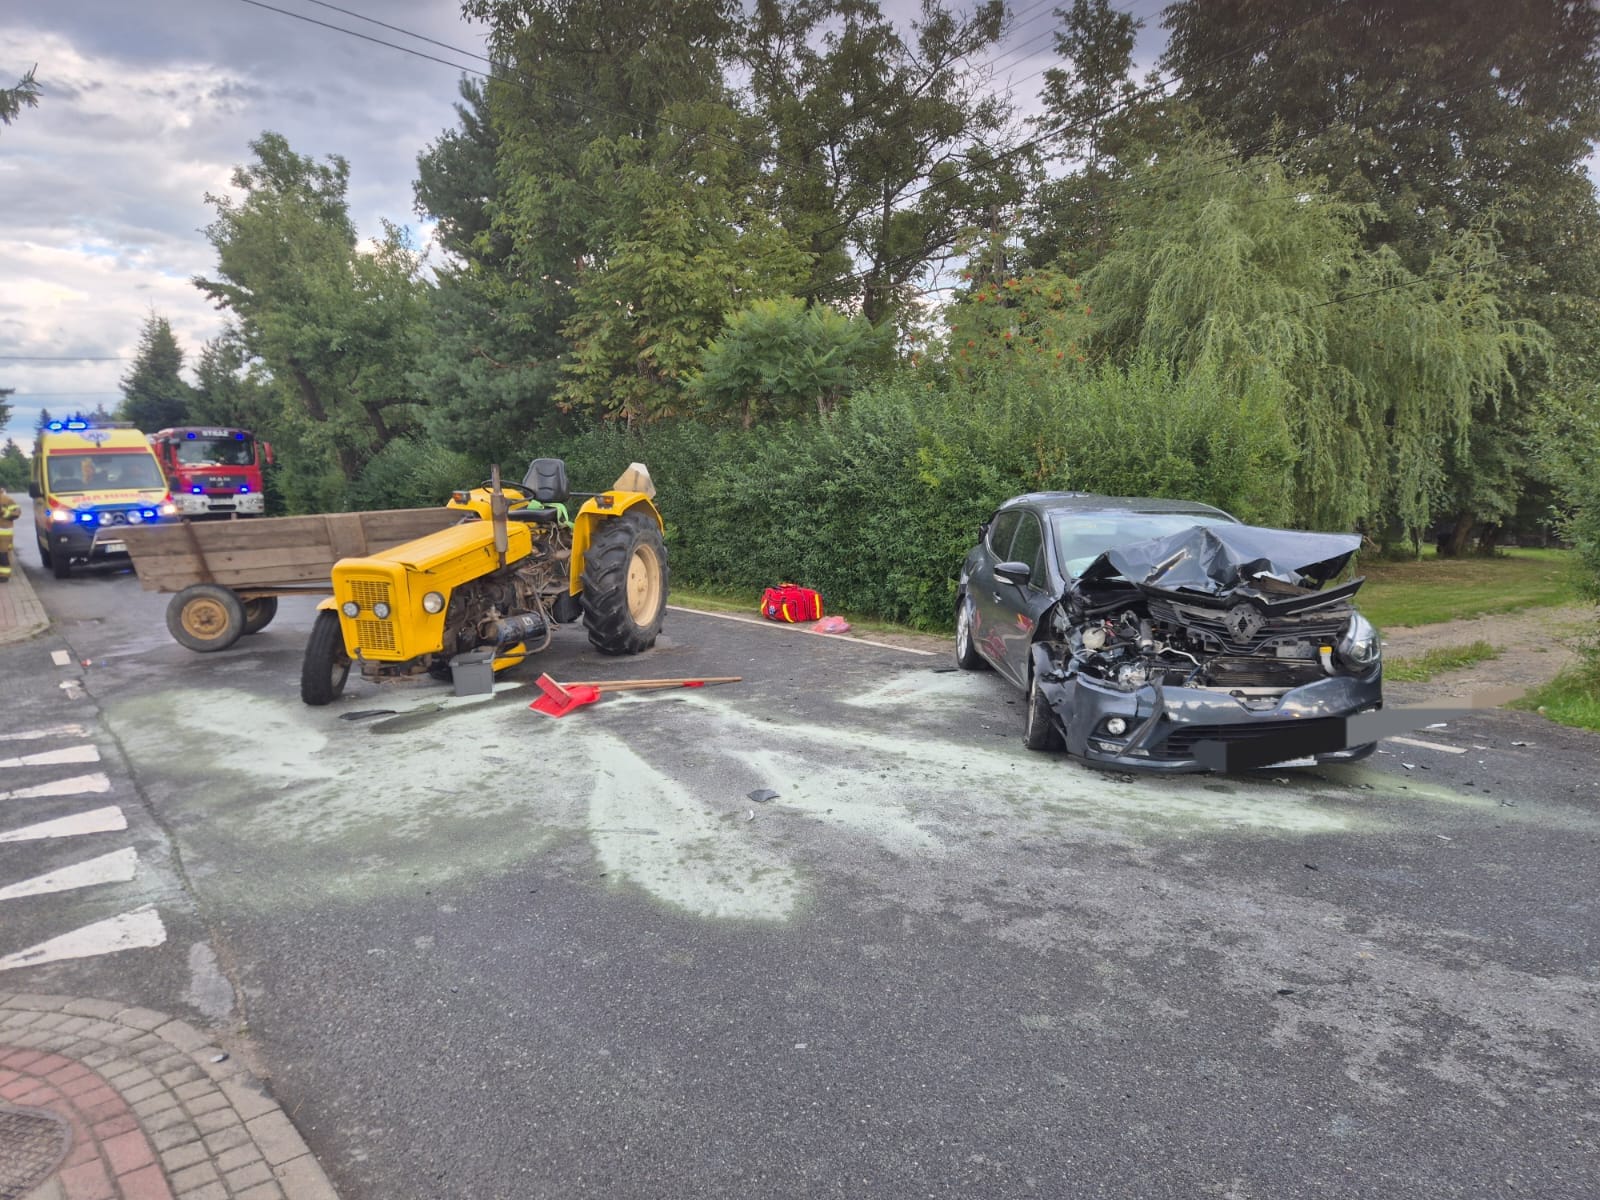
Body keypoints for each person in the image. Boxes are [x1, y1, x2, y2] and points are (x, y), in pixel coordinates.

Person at [0, 483, 20, 583]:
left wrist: (4, 512)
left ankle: (4, 576)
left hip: (4, 532)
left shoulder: (7, 500)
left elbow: (17, 513)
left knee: (3, 554)